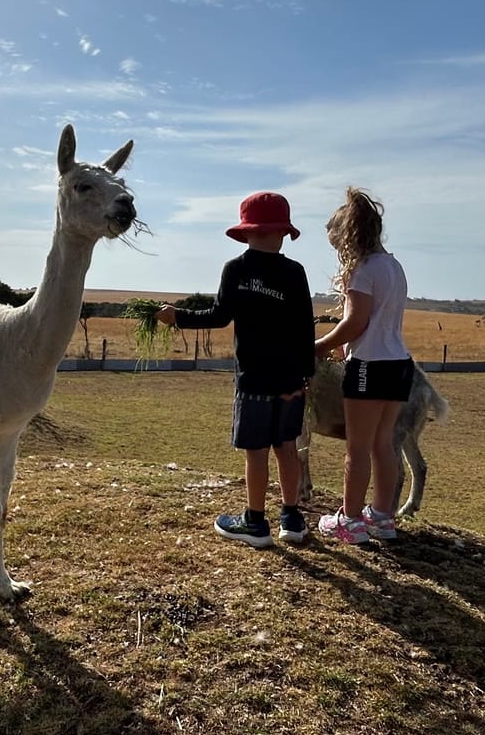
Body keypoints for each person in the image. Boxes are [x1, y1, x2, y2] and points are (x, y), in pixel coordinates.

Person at [158, 192, 316, 548]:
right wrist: (307, 372)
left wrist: (177, 317)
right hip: (290, 380)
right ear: (283, 232)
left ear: (246, 232)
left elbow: (218, 316)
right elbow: (305, 327)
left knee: (256, 452)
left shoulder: (236, 269)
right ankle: (291, 518)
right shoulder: (295, 272)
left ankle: (255, 522)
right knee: (286, 447)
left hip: (253, 381)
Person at [312, 187, 410, 543]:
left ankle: (349, 521)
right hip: (399, 364)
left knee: (356, 447)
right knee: (383, 443)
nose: (339, 252)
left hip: (370, 366)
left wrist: (320, 346)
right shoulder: (394, 266)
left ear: (349, 235)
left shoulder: (363, 270)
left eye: (337, 244)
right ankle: (382, 517)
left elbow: (356, 322)